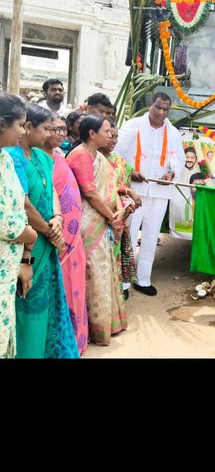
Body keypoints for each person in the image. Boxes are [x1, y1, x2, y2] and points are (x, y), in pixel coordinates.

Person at [7, 104, 79, 358]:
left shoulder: (40, 157)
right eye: (46, 129)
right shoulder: (12, 159)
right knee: (26, 306)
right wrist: (49, 231)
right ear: (27, 128)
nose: (51, 135)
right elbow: (23, 204)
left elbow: (52, 194)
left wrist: (58, 216)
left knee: (45, 305)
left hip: (46, 242)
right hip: (28, 242)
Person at [115, 91, 186, 295]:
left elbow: (178, 161)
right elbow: (116, 154)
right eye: (158, 107)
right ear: (150, 106)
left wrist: (172, 174)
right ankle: (124, 282)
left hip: (159, 192)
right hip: (133, 190)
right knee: (128, 235)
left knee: (151, 236)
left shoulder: (172, 132)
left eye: (166, 109)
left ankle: (143, 279)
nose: (161, 113)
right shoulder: (133, 125)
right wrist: (130, 172)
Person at [67, 114, 127, 346]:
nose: (109, 135)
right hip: (88, 222)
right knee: (94, 274)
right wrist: (111, 216)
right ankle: (94, 330)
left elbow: (110, 188)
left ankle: (105, 324)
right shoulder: (81, 155)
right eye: (105, 131)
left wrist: (117, 210)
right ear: (92, 134)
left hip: (100, 219)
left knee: (102, 271)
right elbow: (91, 193)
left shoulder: (96, 156)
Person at [44, 113, 89, 355]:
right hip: (55, 239)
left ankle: (76, 341)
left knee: (76, 288)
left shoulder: (60, 155)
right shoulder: (38, 160)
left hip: (74, 240)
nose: (60, 134)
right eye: (54, 129)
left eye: (63, 129)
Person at [0, 94, 38, 359]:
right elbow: (5, 220)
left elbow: (16, 207)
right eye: (20, 125)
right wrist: (31, 233)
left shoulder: (5, 159)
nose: (23, 131)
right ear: (2, 124)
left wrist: (26, 255)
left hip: (8, 266)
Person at [103, 123, 142, 298]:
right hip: (101, 217)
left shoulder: (119, 159)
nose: (114, 140)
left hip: (121, 217)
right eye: (110, 135)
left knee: (117, 254)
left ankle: (118, 288)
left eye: (116, 136)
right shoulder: (92, 158)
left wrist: (128, 203)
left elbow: (126, 182)